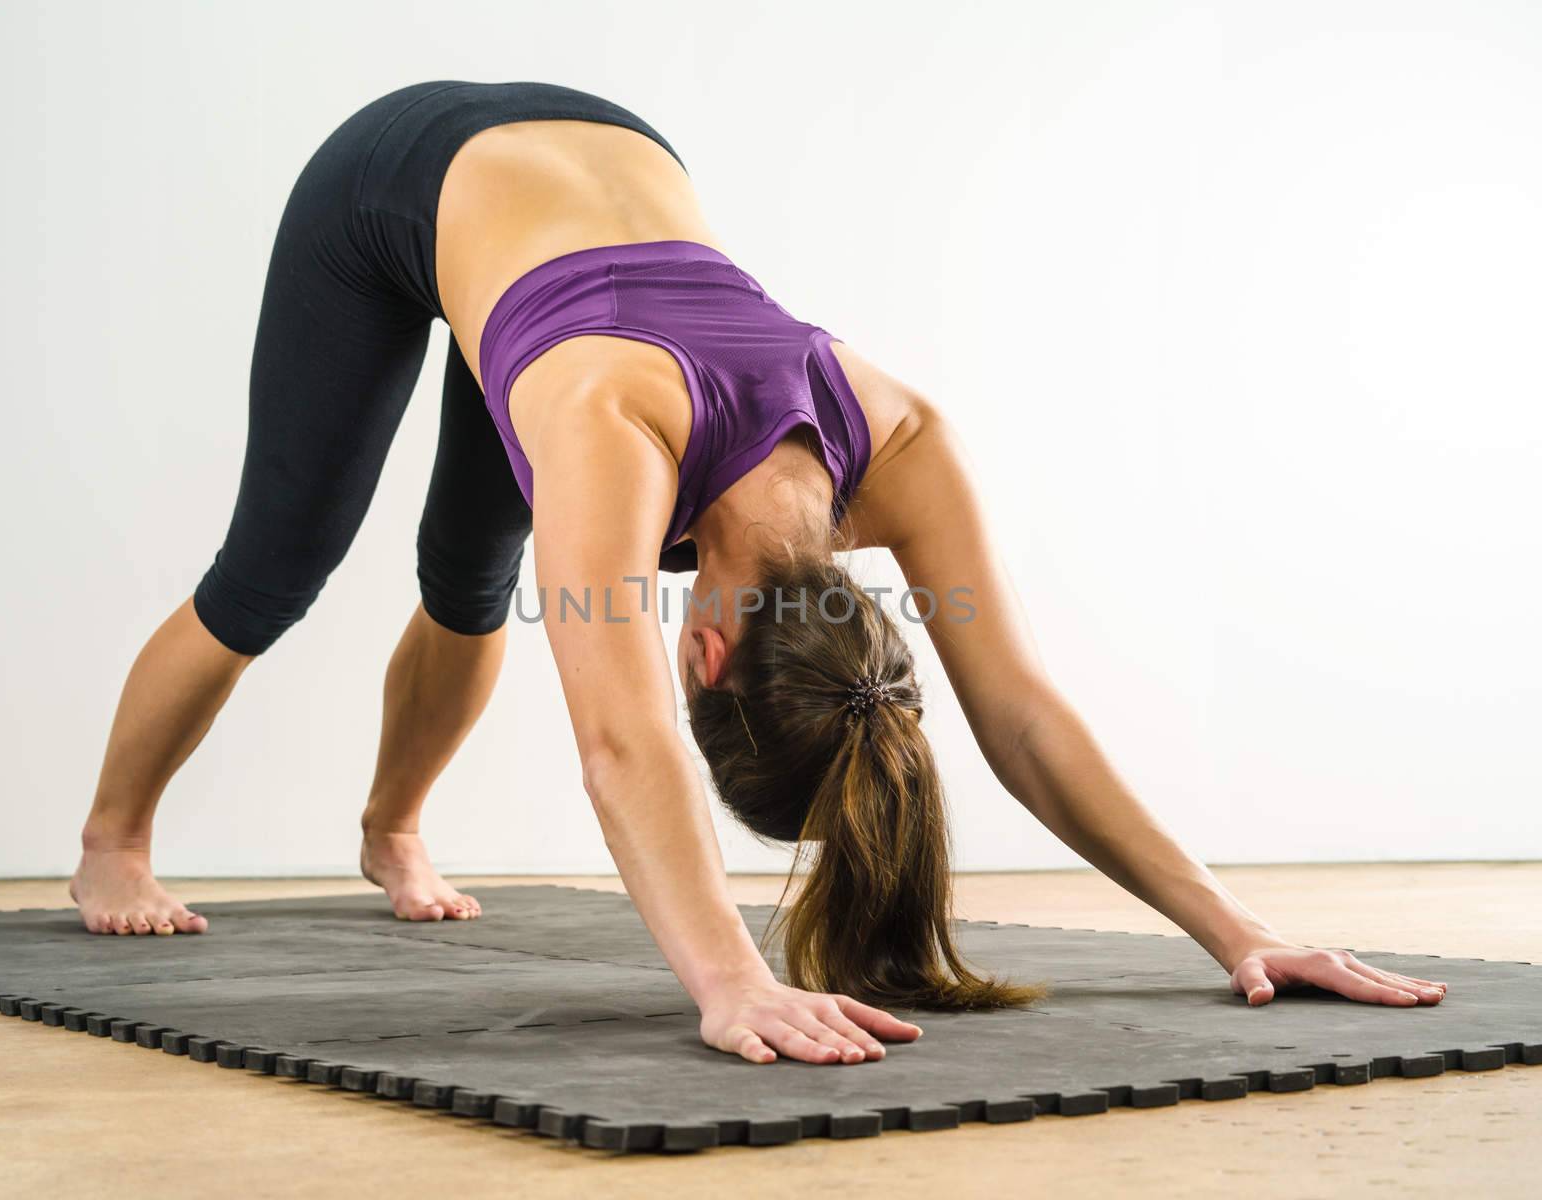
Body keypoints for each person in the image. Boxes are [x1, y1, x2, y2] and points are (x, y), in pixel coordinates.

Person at [71, 81, 1447, 1068]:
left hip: (601, 184)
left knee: (466, 576)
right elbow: (622, 737)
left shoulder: (903, 444)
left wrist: (1238, 929)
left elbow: (1019, 713)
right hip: (395, 181)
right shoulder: (613, 431)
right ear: (710, 655)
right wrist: (727, 980)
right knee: (278, 569)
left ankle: (390, 831)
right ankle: (110, 844)